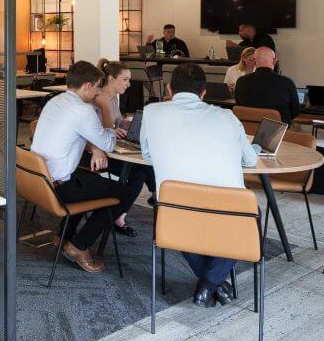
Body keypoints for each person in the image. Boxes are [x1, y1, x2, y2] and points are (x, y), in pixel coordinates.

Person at [139, 62, 258, 307]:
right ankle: (209, 284)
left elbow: (147, 154)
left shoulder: (151, 112)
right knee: (252, 215)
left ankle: (209, 283)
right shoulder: (227, 117)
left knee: (182, 224)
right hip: (226, 211)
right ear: (203, 93)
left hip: (175, 210)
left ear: (169, 89)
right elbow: (250, 160)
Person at [29, 61, 131, 273]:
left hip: (39, 182)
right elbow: (109, 144)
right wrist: (104, 107)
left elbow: (75, 134)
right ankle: (79, 246)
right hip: (61, 188)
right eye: (97, 87)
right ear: (87, 86)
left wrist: (94, 148)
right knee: (124, 194)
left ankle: (63, 236)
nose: (98, 92)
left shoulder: (55, 101)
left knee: (90, 180)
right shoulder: (83, 110)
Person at [90, 60, 150, 235]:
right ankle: (119, 214)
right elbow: (95, 130)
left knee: (141, 170)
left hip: (111, 148)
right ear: (111, 78)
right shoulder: (97, 99)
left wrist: (127, 123)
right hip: (96, 153)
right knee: (140, 172)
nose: (129, 84)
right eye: (125, 79)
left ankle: (121, 213)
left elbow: (115, 123)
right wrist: (113, 129)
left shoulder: (114, 98)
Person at [233, 47, 299, 123]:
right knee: (298, 128)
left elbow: (239, 105)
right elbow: (295, 112)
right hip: (278, 129)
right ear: (274, 61)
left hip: (247, 128)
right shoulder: (287, 82)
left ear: (254, 61)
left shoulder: (241, 82)